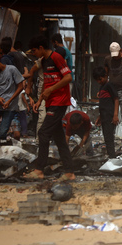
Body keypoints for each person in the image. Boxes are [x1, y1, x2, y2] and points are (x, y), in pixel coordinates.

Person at [24, 35, 74, 181]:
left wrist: (50, 91)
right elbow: (47, 84)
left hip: (60, 102)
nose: (33, 54)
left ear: (41, 48)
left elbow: (68, 77)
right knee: (59, 138)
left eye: (34, 50)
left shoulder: (57, 57)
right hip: (51, 102)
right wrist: (39, 100)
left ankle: (39, 170)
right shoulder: (44, 61)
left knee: (44, 133)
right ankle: (70, 172)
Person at [0, 56, 25, 140]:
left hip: (10, 106)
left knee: (2, 133)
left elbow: (20, 86)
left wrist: (9, 101)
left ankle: (1, 148)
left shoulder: (12, 69)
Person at [93, 66, 119, 158]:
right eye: (97, 80)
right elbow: (102, 104)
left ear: (105, 76)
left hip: (109, 115)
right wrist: (100, 117)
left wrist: (115, 115)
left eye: (100, 79)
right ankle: (110, 155)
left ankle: (112, 157)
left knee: (109, 137)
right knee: (106, 137)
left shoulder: (109, 85)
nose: (99, 81)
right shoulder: (101, 88)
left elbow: (116, 99)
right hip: (104, 116)